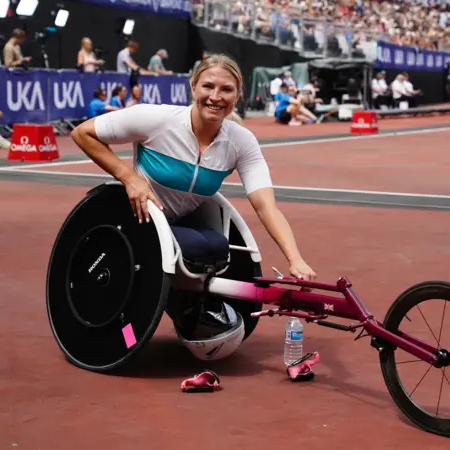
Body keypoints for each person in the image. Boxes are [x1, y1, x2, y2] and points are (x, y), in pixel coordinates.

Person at [71, 53, 316, 360]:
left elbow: (266, 206)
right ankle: (174, 302)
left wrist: (295, 259)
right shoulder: (157, 119)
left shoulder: (241, 142)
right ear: (193, 87)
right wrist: (130, 178)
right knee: (198, 247)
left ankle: (186, 304)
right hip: (138, 222)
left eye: (226, 90)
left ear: (238, 95)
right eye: (208, 86)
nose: (215, 97)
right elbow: (83, 132)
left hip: (183, 221)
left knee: (214, 245)